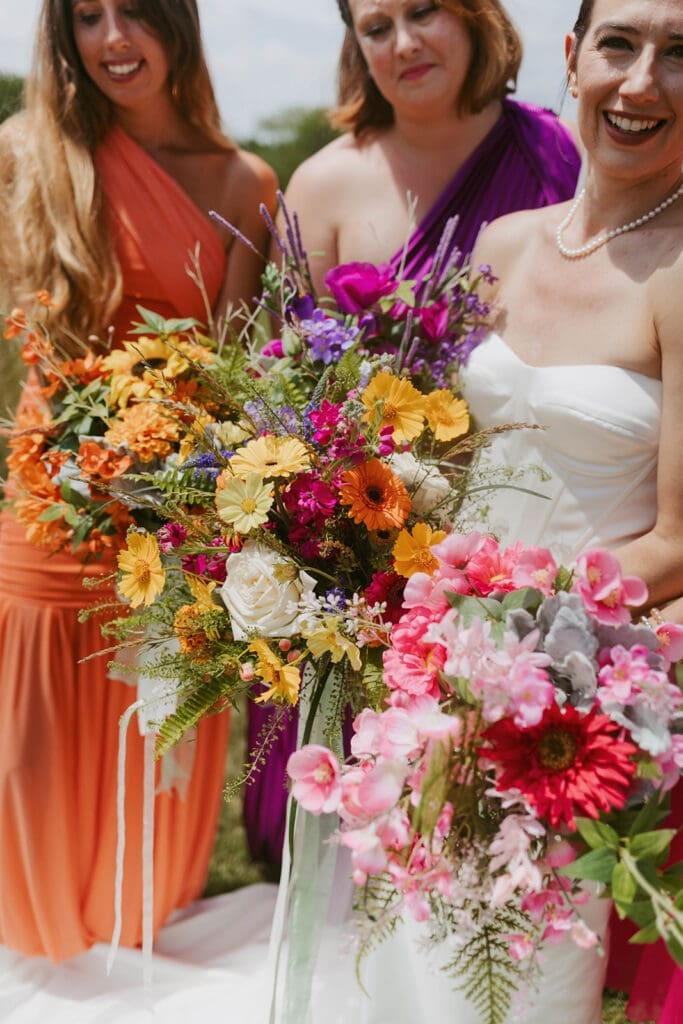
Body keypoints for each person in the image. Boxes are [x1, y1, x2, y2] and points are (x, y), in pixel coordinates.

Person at [244, 0, 581, 869]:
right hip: (364, 536)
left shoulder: (557, 156)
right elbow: (282, 380)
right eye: (375, 25)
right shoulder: (322, 181)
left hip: (515, 528)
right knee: (345, 815)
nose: (402, 42)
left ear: (477, 18)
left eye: (423, 10)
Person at [0, 0, 276, 962]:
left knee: (153, 752)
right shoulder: (24, 156)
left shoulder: (242, 182)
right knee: (28, 762)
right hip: (45, 514)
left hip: (168, 522)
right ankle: (36, 955)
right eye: (86, 17)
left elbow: (237, 375)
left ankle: (133, 951)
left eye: (136, 13)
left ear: (179, 24)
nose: (114, 39)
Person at [462, 0, 683, 1020]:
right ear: (569, 56)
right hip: (439, 661)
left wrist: (519, 638)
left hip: (586, 687)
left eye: (680, 57)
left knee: (527, 976)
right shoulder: (501, 242)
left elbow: (678, 539)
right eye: (618, 45)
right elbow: (434, 445)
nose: (641, 83)